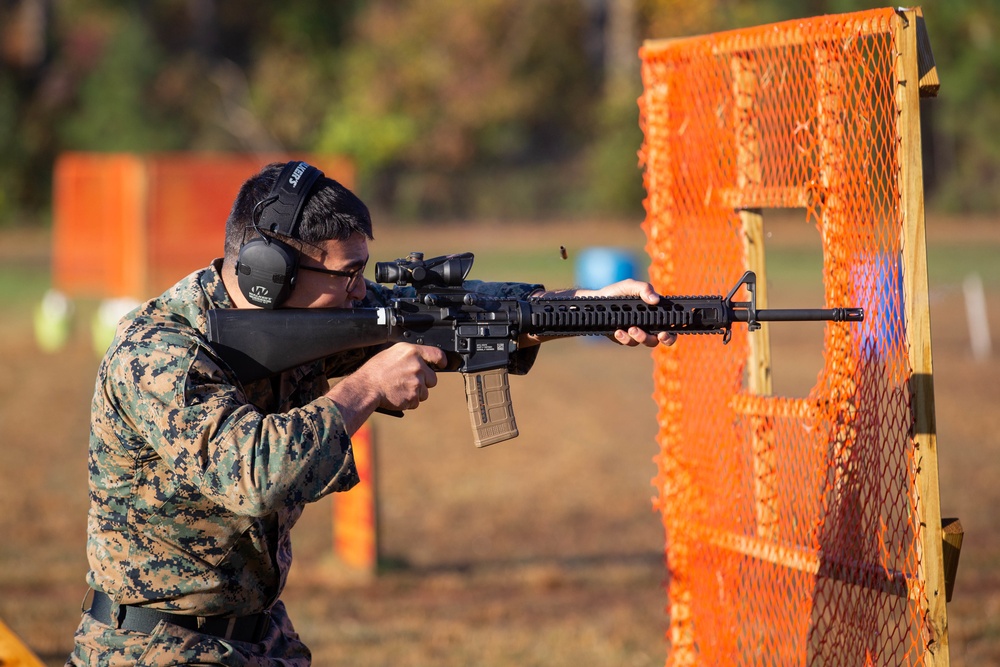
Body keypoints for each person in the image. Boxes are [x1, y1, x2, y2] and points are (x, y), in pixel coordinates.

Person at [66, 161, 675, 666]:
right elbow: (252, 473)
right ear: (266, 276)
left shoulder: (310, 311)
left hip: (256, 636)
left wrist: (580, 306)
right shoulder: (158, 354)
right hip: (152, 646)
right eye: (348, 274)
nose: (363, 291)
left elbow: (453, 310)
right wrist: (366, 387)